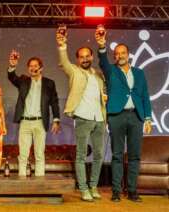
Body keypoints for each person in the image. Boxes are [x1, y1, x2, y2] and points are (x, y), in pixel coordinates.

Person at [95, 26, 152, 202]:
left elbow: (144, 96)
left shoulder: (139, 73)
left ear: (128, 55)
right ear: (115, 56)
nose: (120, 56)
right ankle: (116, 191)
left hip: (136, 116)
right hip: (117, 116)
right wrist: (102, 44)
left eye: (123, 53)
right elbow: (102, 59)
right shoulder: (111, 71)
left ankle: (133, 190)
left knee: (134, 155)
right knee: (117, 155)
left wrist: (148, 118)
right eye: (117, 54)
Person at [56, 26, 107, 201]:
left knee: (99, 155)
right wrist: (62, 45)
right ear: (77, 60)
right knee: (81, 155)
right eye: (81, 57)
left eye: (87, 56)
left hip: (99, 119)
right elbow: (64, 62)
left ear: (91, 57)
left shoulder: (98, 74)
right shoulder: (74, 71)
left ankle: (93, 186)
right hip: (84, 118)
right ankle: (83, 189)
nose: (85, 59)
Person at [7, 51, 61, 177]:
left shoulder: (49, 83)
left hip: (40, 122)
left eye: (35, 65)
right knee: (23, 155)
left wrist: (56, 120)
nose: (33, 68)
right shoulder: (23, 80)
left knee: (39, 154)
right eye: (30, 66)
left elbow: (54, 102)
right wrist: (12, 65)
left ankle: (40, 184)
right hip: (25, 122)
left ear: (41, 68)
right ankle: (22, 183)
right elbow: (11, 77)